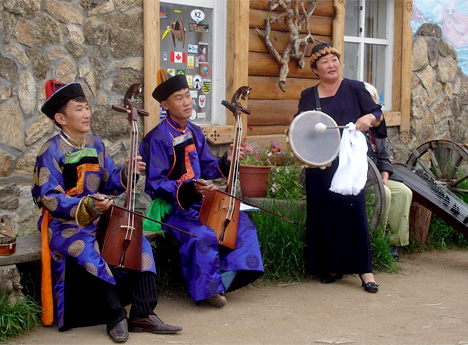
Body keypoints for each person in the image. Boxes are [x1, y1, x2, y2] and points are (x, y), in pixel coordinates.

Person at [31, 80, 182, 343]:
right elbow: (48, 198)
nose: (86, 114)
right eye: (78, 109)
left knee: (138, 241)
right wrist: (87, 205)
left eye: (87, 107)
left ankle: (143, 312)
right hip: (66, 223)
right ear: (60, 118)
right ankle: (115, 316)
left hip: (100, 216)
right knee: (89, 251)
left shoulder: (97, 144)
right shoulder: (51, 150)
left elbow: (111, 182)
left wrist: (127, 172)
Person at [139, 74, 264, 308]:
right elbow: (155, 182)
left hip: (199, 201)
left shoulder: (195, 132)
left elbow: (207, 166)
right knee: (202, 234)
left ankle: (222, 281)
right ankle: (208, 290)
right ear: (165, 105)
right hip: (173, 208)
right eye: (179, 98)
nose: (187, 102)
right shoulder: (157, 138)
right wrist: (188, 188)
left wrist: (226, 159)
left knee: (240, 223)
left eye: (188, 96)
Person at [296, 43, 385, 293]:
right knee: (324, 212)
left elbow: (377, 115)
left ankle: (365, 270)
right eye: (325, 62)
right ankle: (331, 266)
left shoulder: (355, 88)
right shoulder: (308, 96)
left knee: (354, 211)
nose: (331, 65)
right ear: (316, 69)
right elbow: (300, 126)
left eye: (334, 59)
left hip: (347, 161)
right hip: (319, 163)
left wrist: (368, 118)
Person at [364, 83, 413, 260]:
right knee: (384, 193)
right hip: (362, 180)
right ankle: (375, 241)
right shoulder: (354, 126)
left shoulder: (377, 129)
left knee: (403, 192)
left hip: (378, 178)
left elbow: (384, 156)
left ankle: (393, 243)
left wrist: (384, 177)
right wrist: (379, 182)